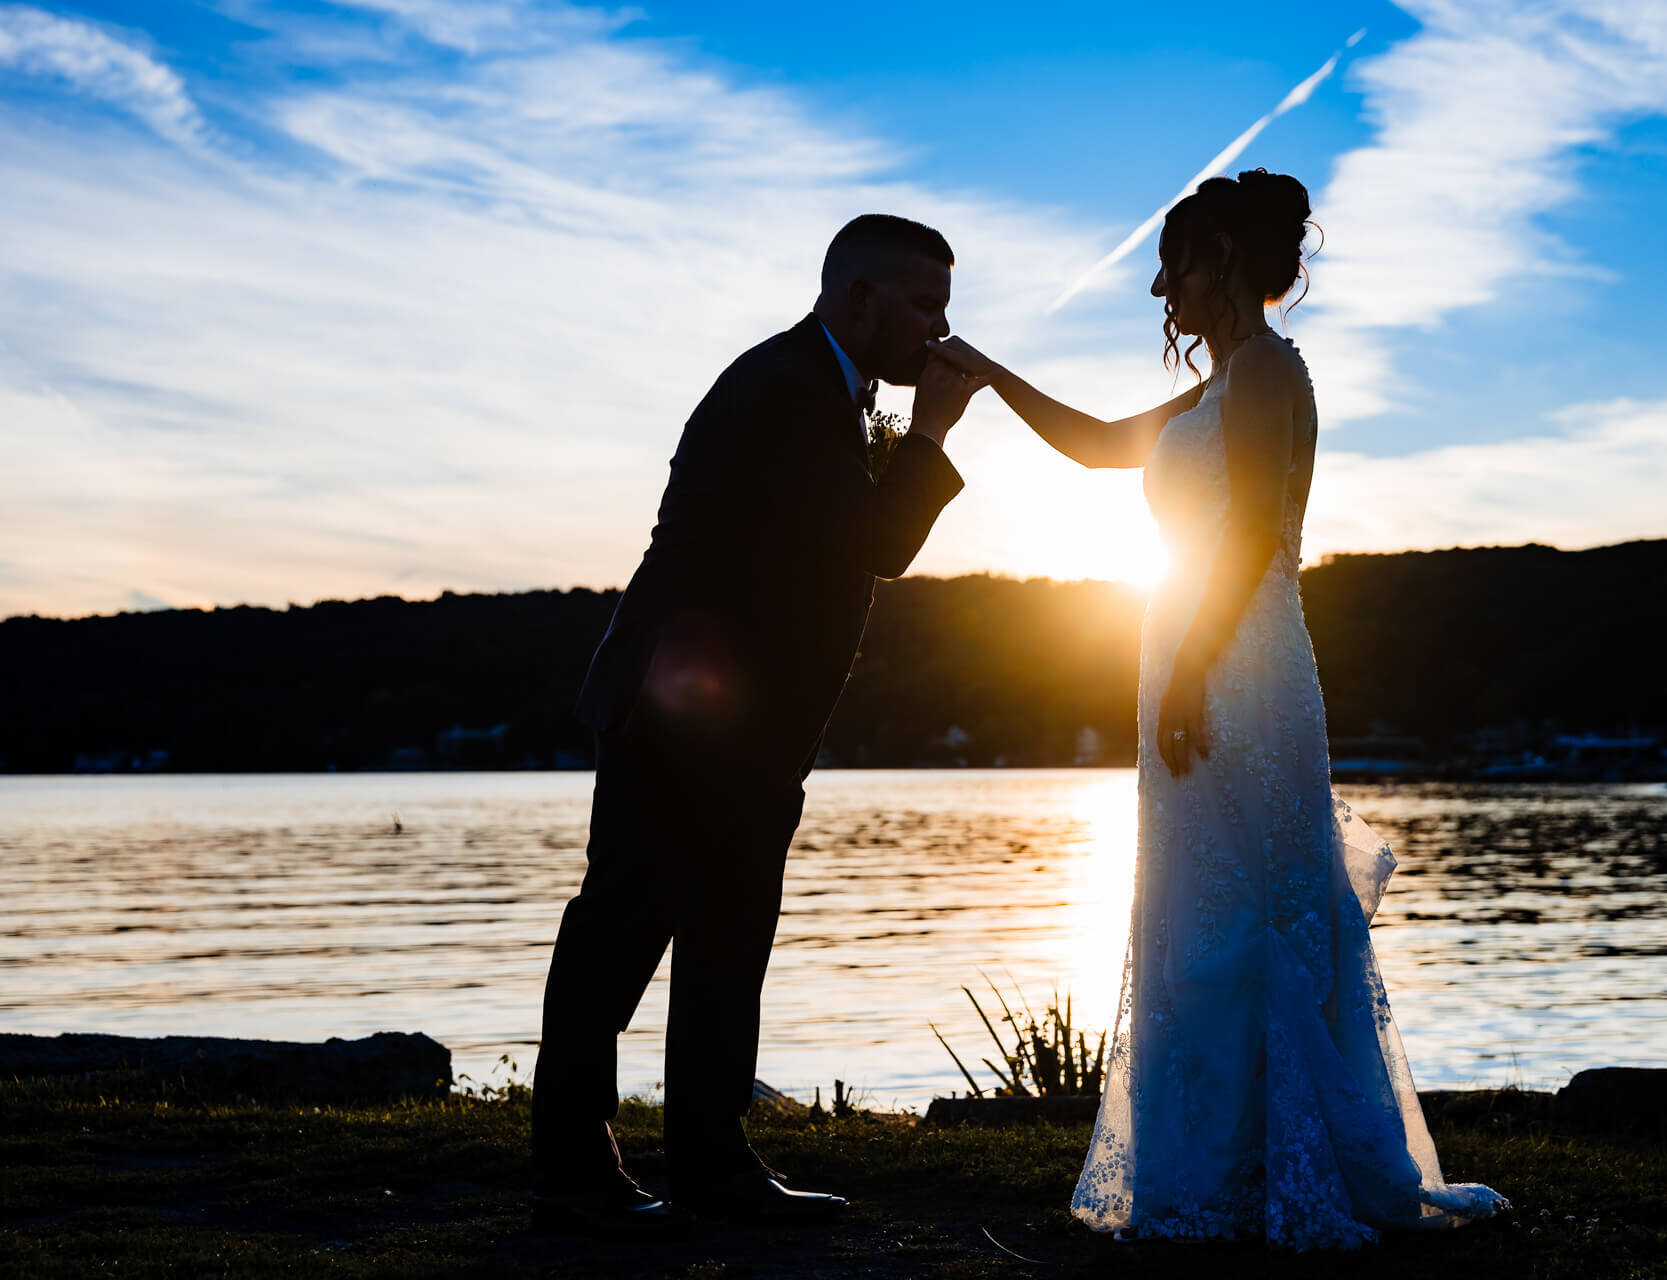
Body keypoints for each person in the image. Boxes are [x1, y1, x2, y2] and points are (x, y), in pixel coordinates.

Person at [929, 170, 1507, 1249]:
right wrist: (993, 375)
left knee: (1253, 906)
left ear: (1225, 261)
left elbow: (1247, 538)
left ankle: (1277, 1171)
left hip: (1238, 664)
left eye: (1176, 261)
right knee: (1197, 908)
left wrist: (1193, 667)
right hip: (1194, 656)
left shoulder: (1271, 373)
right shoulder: (1215, 385)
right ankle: (1218, 1169)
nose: (1161, 285)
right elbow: (1103, 444)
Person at [531, 214, 989, 1236]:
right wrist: (932, 436)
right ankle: (569, 1169)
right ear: (856, 297)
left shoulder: (828, 388)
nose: (938, 330)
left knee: (728, 941)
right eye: (923, 305)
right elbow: (878, 544)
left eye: (945, 310)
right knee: (619, 932)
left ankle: (710, 1159)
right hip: (677, 711)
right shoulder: (785, 388)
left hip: (747, 728)